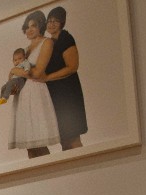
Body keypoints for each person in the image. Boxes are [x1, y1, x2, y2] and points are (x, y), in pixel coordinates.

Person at [8, 11, 60, 159]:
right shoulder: (24, 50)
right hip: (23, 96)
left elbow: (37, 72)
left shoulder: (47, 42)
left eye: (33, 26)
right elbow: (17, 74)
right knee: (29, 146)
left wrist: (14, 70)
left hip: (36, 94)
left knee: (39, 142)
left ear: (40, 26)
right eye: (27, 27)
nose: (29, 30)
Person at [42, 6, 88, 150]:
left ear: (62, 22)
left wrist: (48, 77)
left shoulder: (66, 38)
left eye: (55, 21)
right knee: (64, 139)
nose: (51, 24)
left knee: (73, 137)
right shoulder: (49, 42)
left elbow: (72, 66)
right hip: (56, 95)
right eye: (49, 21)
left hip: (68, 94)